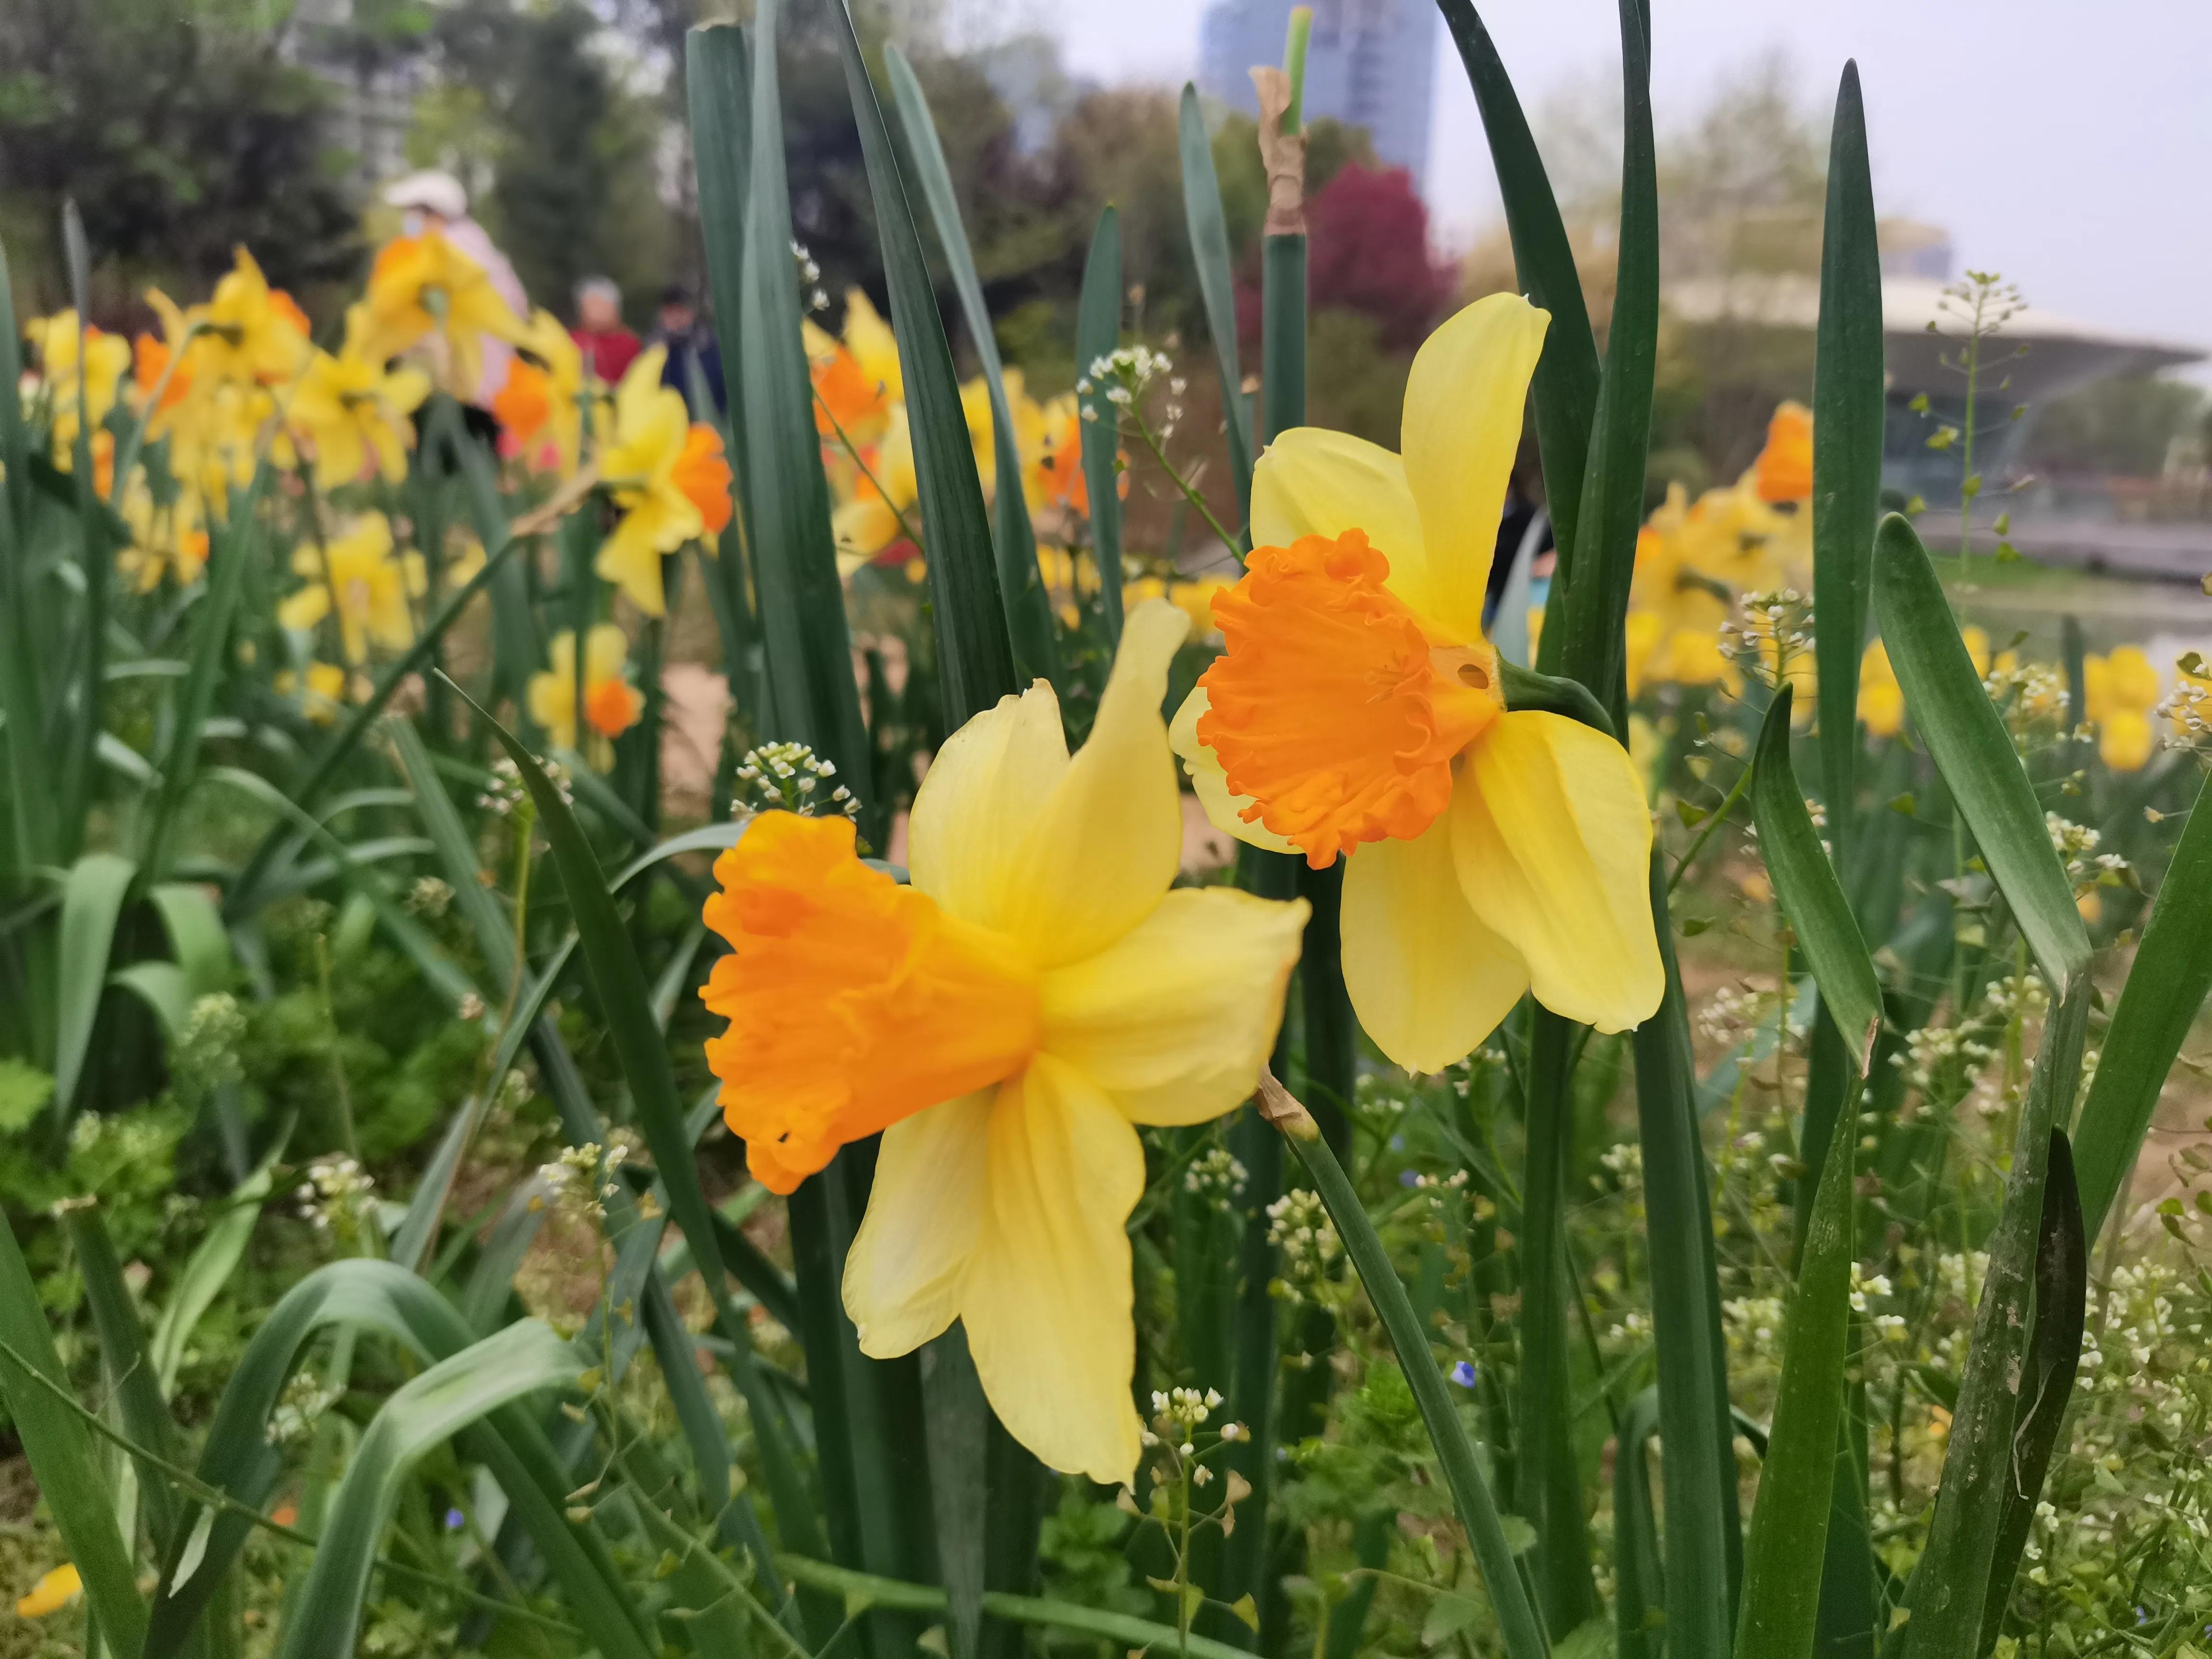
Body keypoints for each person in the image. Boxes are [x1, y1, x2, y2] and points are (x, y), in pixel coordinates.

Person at [381, 169, 529, 413]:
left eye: (412, 212)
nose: (407, 221)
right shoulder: (480, 246)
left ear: (434, 214)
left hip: (464, 387)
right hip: (495, 387)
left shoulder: (444, 252)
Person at [649, 284, 726, 415]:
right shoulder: (653, 350)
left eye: (681, 311)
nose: (676, 318)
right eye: (670, 312)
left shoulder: (707, 343)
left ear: (691, 313)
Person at [571, 276, 641, 384]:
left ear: (615, 310)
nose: (594, 313)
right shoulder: (572, 340)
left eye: (600, 306)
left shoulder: (629, 344)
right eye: (590, 306)